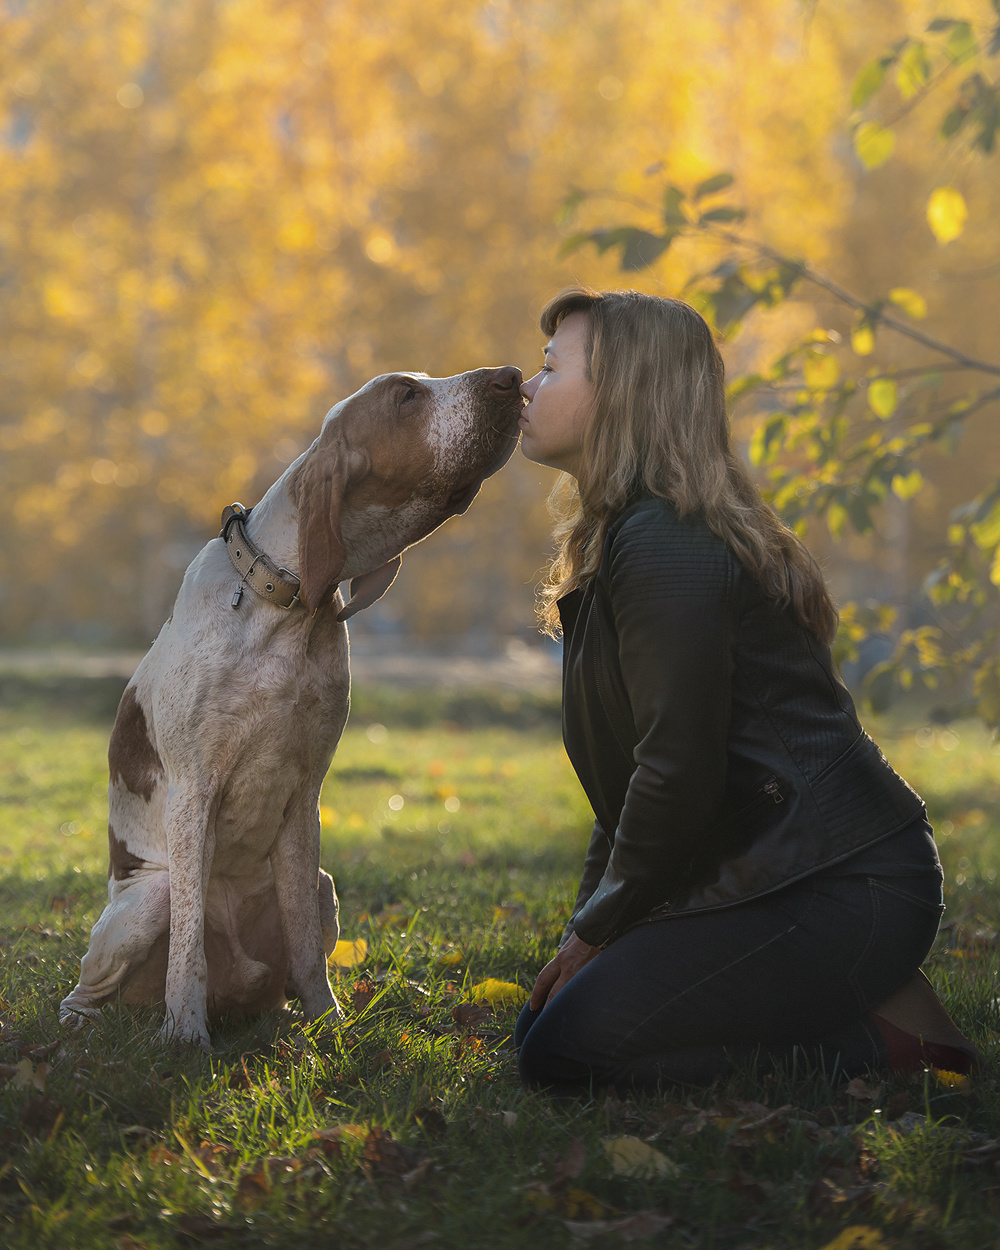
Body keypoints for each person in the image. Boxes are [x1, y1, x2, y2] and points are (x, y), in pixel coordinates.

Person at [513, 287, 979, 1092]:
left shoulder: (665, 541)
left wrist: (598, 934)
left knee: (567, 1053)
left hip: (839, 885)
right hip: (766, 871)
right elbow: (629, 790)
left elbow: (676, 773)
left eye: (552, 369)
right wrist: (585, 932)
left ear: (624, 392)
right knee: (543, 1027)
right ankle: (854, 996)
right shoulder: (628, 532)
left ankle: (888, 1042)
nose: (528, 385)